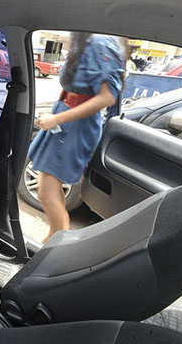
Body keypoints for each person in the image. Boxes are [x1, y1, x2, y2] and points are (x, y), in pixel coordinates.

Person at [28, 32, 126, 244]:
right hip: (65, 121)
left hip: (75, 126)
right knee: (49, 192)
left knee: (46, 193)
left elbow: (107, 97)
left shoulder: (101, 42)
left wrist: (57, 119)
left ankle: (56, 242)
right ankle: (54, 238)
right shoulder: (86, 42)